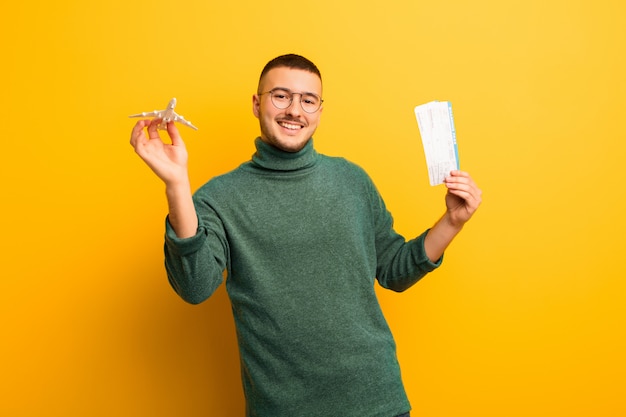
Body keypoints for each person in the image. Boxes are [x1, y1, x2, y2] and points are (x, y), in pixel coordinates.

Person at [130, 54, 482, 417]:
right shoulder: (219, 198)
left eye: (307, 100)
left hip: (377, 402)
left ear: (319, 110)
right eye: (281, 96)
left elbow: (394, 270)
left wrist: (451, 222)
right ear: (256, 103)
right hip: (283, 409)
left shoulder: (351, 181)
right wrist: (176, 185)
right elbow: (195, 286)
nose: (294, 110)